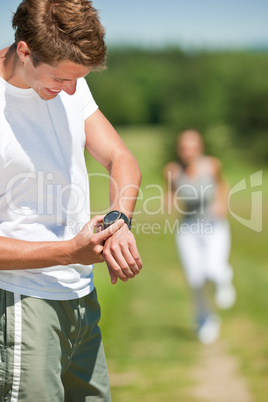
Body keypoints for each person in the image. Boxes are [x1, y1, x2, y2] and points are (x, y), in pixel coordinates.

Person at [0, 0, 142, 400]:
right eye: (62, 79)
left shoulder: (68, 80)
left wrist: (119, 220)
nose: (72, 90)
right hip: (22, 304)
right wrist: (67, 252)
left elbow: (121, 158)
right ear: (25, 50)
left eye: (78, 79)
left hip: (81, 298)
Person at [163, 129, 236, 344]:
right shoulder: (173, 170)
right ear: (179, 150)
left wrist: (221, 203)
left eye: (193, 147)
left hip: (214, 227)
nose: (188, 152)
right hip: (188, 230)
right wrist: (169, 201)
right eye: (184, 148)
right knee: (196, 279)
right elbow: (171, 194)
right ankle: (206, 319)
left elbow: (222, 185)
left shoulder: (212, 165)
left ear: (200, 148)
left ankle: (224, 276)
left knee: (212, 270)